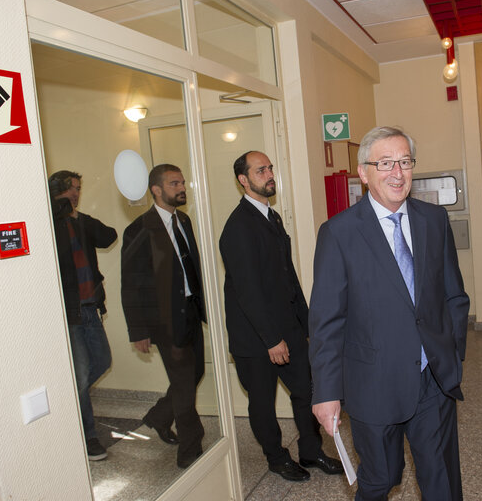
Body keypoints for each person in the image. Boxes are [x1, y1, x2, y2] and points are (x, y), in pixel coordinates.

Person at [310, 127, 470, 500]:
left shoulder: (434, 220)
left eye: (404, 162)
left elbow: (454, 295)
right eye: (385, 163)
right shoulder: (339, 233)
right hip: (373, 383)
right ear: (363, 173)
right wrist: (327, 392)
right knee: (381, 479)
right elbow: (327, 321)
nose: (397, 173)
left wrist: (453, 354)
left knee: (442, 479)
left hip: (433, 379)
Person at [219, 151, 342, 482]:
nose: (269, 174)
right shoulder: (239, 226)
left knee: (307, 390)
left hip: (287, 327)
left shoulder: (270, 217)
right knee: (262, 403)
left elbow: (288, 277)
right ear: (243, 180)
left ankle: (312, 451)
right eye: (261, 170)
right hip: (256, 338)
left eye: (270, 168)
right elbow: (248, 292)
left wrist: (308, 324)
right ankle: (276, 457)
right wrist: (271, 339)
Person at [121, 164, 206, 469]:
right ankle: (190, 446)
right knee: (184, 381)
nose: (181, 187)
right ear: (156, 190)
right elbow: (130, 284)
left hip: (191, 312)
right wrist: (138, 330)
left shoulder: (183, 219)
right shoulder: (140, 229)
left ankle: (158, 417)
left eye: (182, 182)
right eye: (174, 183)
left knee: (194, 374)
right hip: (165, 320)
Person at [49, 170, 117, 461]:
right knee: (80, 375)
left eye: (77, 188)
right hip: (70, 312)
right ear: (55, 192)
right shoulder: (49, 224)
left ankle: (66, 405)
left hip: (92, 307)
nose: (75, 194)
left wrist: (77, 216)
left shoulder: (81, 221)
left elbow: (109, 236)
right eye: (69, 189)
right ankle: (88, 436)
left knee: (101, 362)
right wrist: (59, 216)